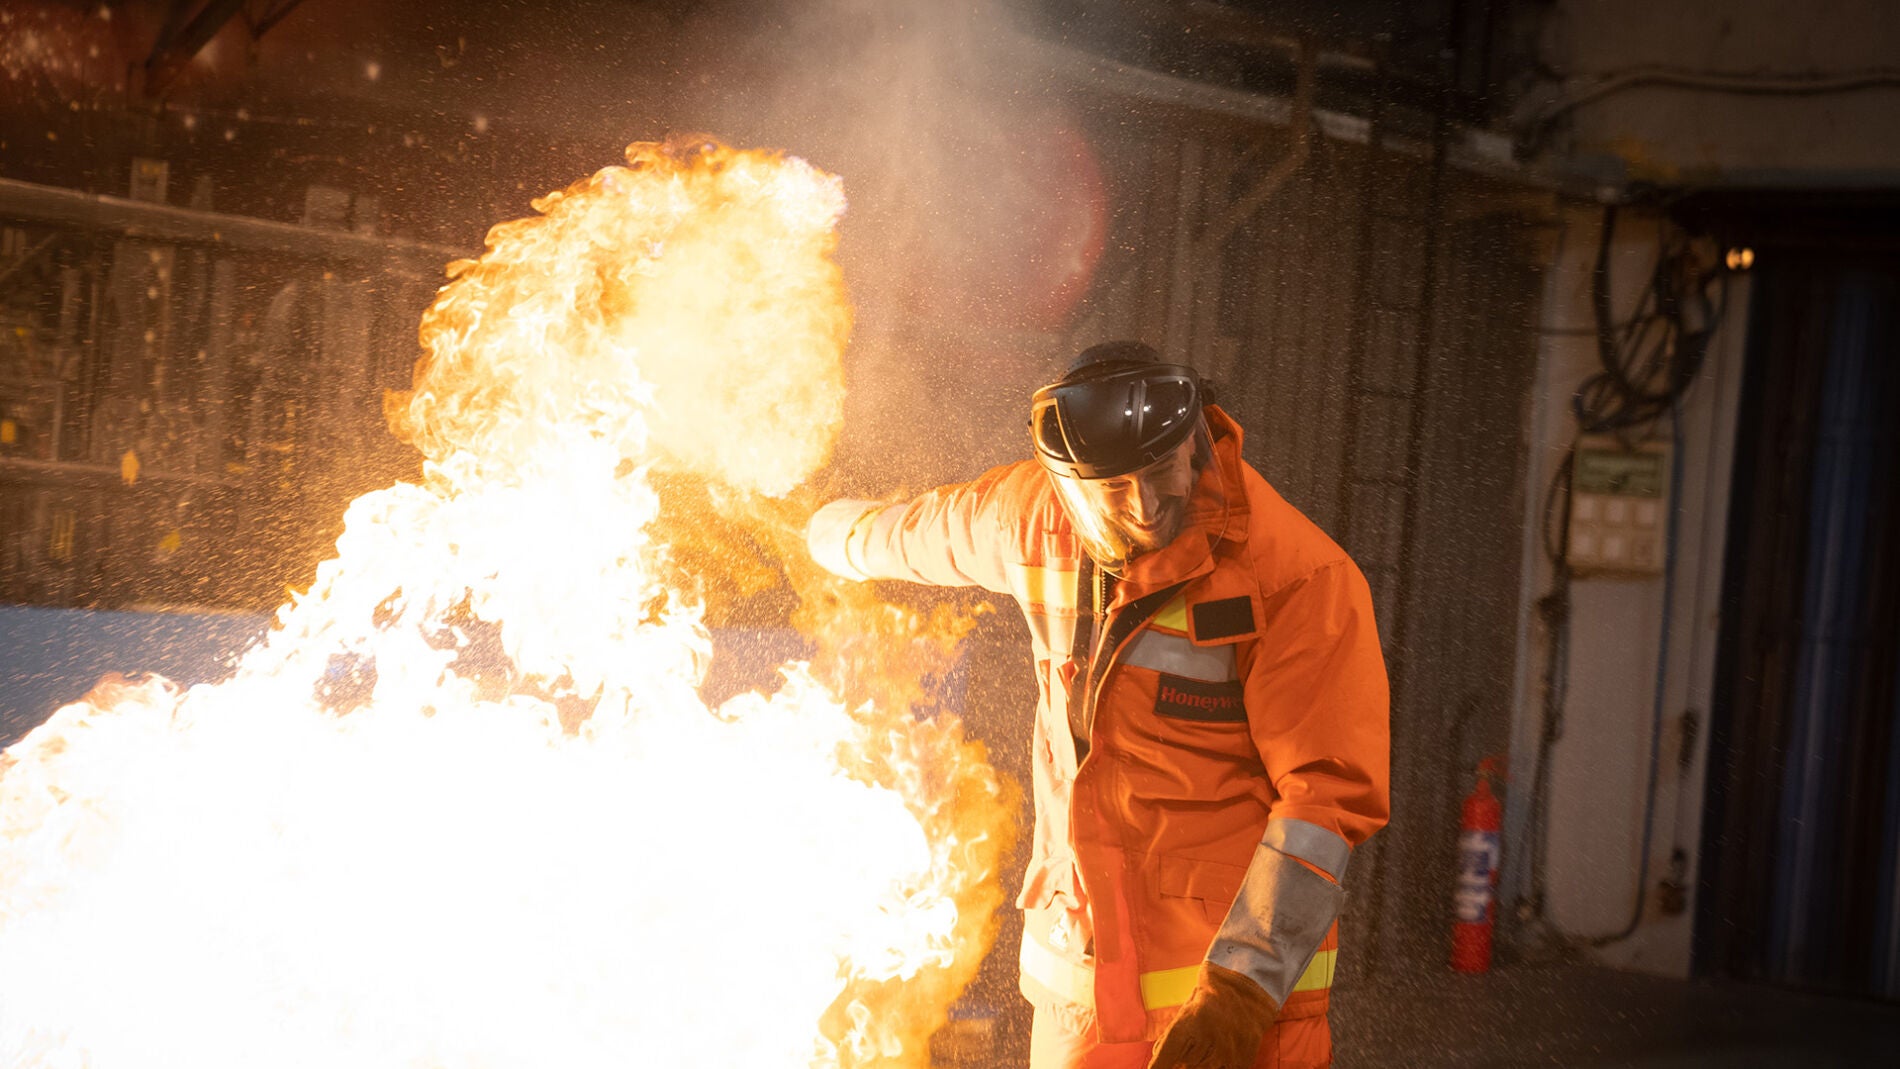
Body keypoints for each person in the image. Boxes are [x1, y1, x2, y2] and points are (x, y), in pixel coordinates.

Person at [806, 341, 1390, 1069]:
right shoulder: (1031, 518)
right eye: (1115, 487)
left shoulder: (1297, 578)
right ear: (1067, 486)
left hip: (1232, 1021)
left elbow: (1323, 801)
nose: (1144, 506)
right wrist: (822, 533)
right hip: (1080, 1004)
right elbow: (921, 531)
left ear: (1195, 442)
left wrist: (1241, 991)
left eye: (1159, 471)